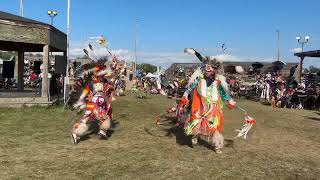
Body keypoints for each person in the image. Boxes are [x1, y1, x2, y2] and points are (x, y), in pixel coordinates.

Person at [181, 48, 237, 153]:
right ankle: (195, 135)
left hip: (213, 107)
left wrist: (230, 100)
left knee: (215, 126)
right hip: (200, 105)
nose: (207, 68)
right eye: (206, 67)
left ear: (214, 69)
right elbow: (190, 87)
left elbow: (223, 93)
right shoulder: (199, 78)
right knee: (196, 121)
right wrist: (185, 95)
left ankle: (217, 145)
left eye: (210, 67)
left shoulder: (217, 81)